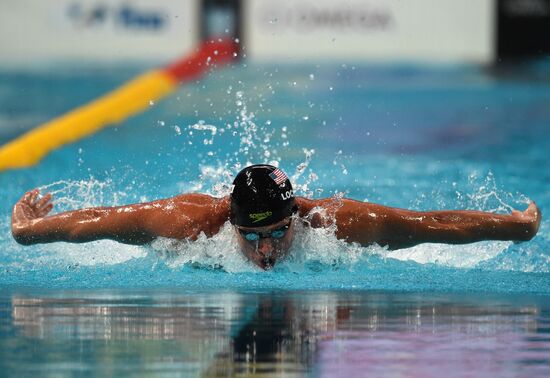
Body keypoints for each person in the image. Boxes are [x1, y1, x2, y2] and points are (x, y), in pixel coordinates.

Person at [12, 164, 541, 270]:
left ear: (296, 217)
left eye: (277, 232)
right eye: (252, 236)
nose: (266, 251)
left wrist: (519, 228)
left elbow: (432, 225)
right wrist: (28, 230)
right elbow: (97, 222)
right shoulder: (188, 223)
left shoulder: (336, 224)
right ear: (231, 223)